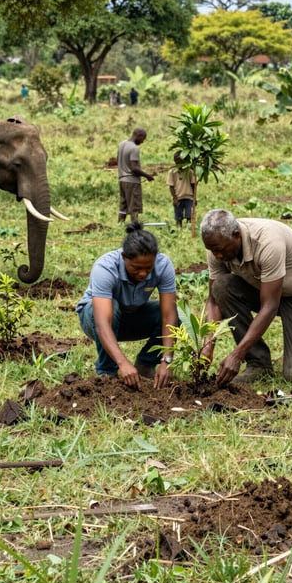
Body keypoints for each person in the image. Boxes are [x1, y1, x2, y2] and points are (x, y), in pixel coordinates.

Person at [200, 208, 292, 385]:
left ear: (236, 235)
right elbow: (213, 301)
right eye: (212, 250)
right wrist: (207, 345)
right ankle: (258, 364)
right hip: (266, 289)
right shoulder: (217, 246)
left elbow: (270, 307)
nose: (217, 256)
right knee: (221, 287)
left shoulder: (267, 242)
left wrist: (236, 355)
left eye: (220, 250)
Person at [76, 222, 177, 390]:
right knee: (113, 306)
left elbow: (169, 316)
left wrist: (167, 360)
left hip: (131, 316)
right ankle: (107, 374)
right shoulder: (105, 267)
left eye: (148, 268)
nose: (143, 273)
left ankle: (145, 365)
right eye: (136, 268)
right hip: (95, 320)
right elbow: (102, 323)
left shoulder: (163, 265)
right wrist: (123, 363)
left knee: (175, 315)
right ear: (124, 257)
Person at [117, 127, 154, 224]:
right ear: (139, 135)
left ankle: (120, 224)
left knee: (123, 205)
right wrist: (147, 176)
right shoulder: (134, 148)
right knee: (134, 206)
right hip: (132, 181)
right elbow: (134, 168)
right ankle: (135, 226)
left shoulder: (122, 144)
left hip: (122, 179)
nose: (142, 142)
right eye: (143, 139)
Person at [167, 151, 196, 230]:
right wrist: (174, 198)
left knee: (189, 215)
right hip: (178, 197)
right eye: (177, 161)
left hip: (189, 197)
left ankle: (188, 229)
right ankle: (179, 229)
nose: (179, 163)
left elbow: (193, 185)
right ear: (174, 161)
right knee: (178, 216)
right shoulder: (172, 172)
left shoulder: (190, 171)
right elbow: (171, 186)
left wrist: (194, 197)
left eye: (181, 161)